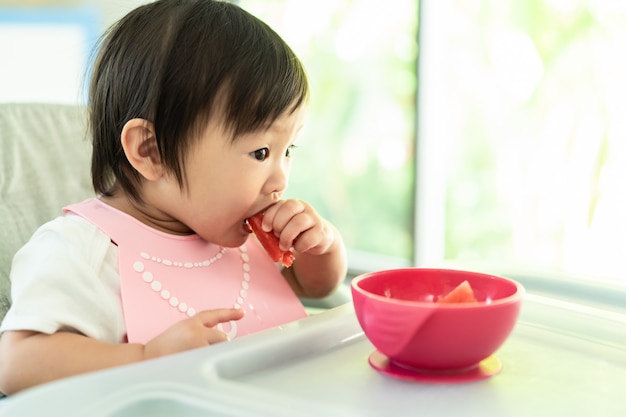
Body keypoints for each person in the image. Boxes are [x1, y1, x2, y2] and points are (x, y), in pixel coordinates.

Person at [0, 0, 346, 395]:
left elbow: (313, 285)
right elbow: (16, 363)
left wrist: (321, 245)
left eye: (289, 151)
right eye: (260, 153)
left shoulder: (236, 231)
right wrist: (147, 357)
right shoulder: (84, 251)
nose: (280, 179)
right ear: (152, 151)